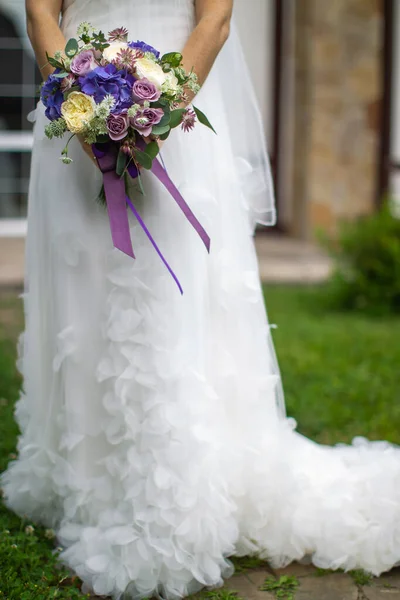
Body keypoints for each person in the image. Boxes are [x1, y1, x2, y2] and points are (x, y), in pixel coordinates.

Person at [2, 1, 400, 599]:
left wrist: (152, 116)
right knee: (84, 295)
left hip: (175, 115)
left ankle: (173, 497)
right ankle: (86, 481)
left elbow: (214, 19)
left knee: (166, 298)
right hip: (74, 121)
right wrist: (78, 109)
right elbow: (41, 13)